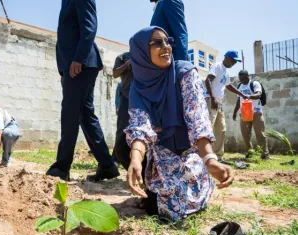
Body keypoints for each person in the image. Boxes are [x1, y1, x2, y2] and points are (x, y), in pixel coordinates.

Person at [125, 27, 234, 220]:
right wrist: (135, 159)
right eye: (157, 42)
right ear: (141, 51)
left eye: (168, 41)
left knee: (184, 189)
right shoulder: (138, 86)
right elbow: (140, 125)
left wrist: (210, 160)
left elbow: (197, 118)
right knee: (157, 202)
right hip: (161, 151)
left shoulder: (185, 73)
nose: (166, 46)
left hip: (191, 148)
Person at [46, 0, 119, 182]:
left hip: (81, 64)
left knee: (70, 113)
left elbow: (89, 27)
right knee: (85, 115)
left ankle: (62, 167)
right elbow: (65, 36)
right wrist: (63, 70)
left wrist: (78, 59)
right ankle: (107, 165)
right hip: (73, 65)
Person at [205, 51, 248, 161]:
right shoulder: (217, 66)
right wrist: (213, 98)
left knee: (221, 129)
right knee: (208, 128)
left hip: (219, 103)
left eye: (235, 62)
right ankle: (205, 156)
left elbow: (228, 86)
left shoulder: (226, 72)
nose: (234, 63)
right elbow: (208, 80)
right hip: (211, 100)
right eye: (233, 60)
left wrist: (241, 94)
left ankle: (218, 156)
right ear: (227, 58)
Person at [233, 70, 269, 159]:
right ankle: (250, 152)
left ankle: (264, 154)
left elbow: (258, 94)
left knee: (260, 133)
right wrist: (235, 112)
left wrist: (249, 96)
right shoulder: (240, 86)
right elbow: (238, 100)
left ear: (248, 76)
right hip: (244, 113)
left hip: (256, 112)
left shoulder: (255, 84)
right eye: (241, 80)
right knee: (245, 134)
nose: (243, 81)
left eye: (244, 79)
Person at [111, 52, 137, 170]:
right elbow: (115, 73)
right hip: (126, 97)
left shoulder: (144, 55)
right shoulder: (122, 57)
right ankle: (115, 160)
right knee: (121, 130)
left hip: (141, 98)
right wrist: (127, 64)